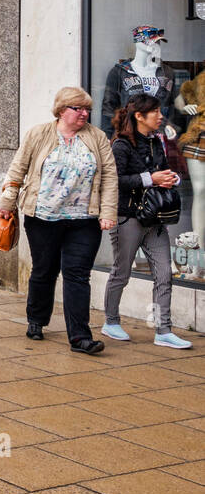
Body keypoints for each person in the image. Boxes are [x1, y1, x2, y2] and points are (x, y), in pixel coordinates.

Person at [0, 87, 118, 354]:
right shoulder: (38, 134)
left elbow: (109, 177)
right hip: (43, 217)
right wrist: (7, 202)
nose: (84, 113)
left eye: (87, 109)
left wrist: (108, 213)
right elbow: (17, 170)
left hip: (84, 219)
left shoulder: (97, 137)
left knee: (77, 275)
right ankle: (37, 320)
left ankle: (80, 337)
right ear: (62, 111)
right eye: (78, 109)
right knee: (44, 270)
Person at [102, 94, 191, 349]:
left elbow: (161, 171)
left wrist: (169, 177)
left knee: (164, 273)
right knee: (122, 272)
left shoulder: (156, 142)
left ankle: (163, 330)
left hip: (154, 218)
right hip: (128, 216)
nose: (161, 116)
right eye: (155, 112)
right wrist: (151, 178)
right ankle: (111, 321)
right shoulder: (121, 145)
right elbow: (116, 180)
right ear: (139, 116)